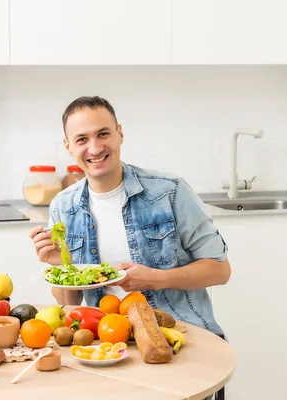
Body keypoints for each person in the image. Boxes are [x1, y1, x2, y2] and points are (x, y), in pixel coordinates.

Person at [29, 95, 230, 328]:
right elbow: (70, 303)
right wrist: (62, 265)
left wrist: (157, 279)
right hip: (107, 337)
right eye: (82, 139)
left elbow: (220, 271)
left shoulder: (170, 191)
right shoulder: (63, 207)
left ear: (119, 134)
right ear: (69, 146)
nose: (94, 148)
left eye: (103, 134)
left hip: (180, 330)